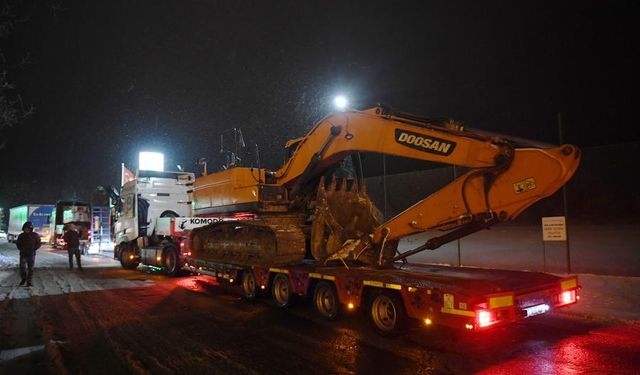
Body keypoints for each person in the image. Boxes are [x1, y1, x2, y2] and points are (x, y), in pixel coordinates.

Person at [15, 221, 42, 287]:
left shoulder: (35, 235)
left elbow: (39, 243)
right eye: (25, 228)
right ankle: (24, 278)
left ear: (30, 229)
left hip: (31, 254)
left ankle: (29, 281)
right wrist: (21, 249)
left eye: (28, 228)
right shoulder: (21, 235)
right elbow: (18, 243)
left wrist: (34, 248)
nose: (26, 230)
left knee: (31, 269)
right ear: (23, 229)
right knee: (22, 268)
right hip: (23, 254)